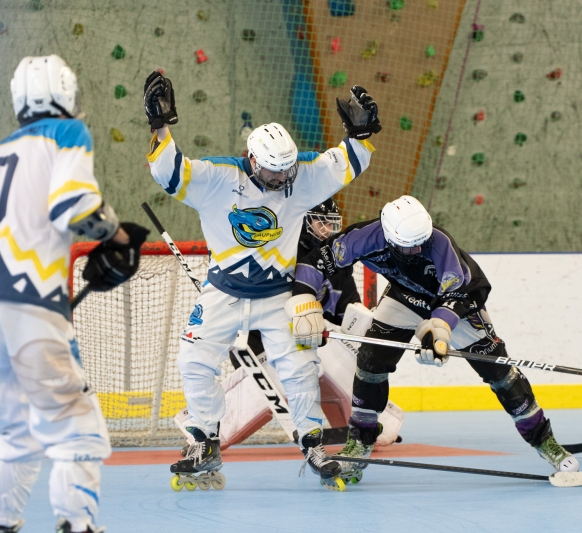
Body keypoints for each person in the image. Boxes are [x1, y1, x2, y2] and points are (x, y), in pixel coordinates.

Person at [142, 71, 381, 492]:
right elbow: (170, 174)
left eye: (287, 170)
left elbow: (343, 164)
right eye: (274, 172)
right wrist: (159, 127)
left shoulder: (299, 174)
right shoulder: (217, 178)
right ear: (252, 159)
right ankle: (204, 441)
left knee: (300, 368)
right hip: (222, 293)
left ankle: (313, 444)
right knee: (193, 362)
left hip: (277, 297)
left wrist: (360, 134)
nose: (282, 180)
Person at [288, 195, 580, 484]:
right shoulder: (363, 237)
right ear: (389, 237)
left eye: (421, 241)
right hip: (404, 296)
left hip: (459, 301)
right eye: (408, 244)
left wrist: (438, 330)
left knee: (500, 374)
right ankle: (360, 444)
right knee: (370, 360)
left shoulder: (439, 243)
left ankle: (545, 442)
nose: (417, 248)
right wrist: (303, 301)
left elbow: (454, 294)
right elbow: (316, 262)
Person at [0, 55, 149, 533]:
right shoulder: (65, 134)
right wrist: (118, 236)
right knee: (77, 426)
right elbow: (75, 208)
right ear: (65, 95)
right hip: (34, 312)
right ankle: (76, 524)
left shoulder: (3, 150)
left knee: (14, 430)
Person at [174, 198, 403, 451]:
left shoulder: (339, 263)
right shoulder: (282, 258)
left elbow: (345, 317)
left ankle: (364, 426)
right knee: (295, 362)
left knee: (340, 366)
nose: (328, 228)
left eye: (332, 222)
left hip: (311, 345)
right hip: (263, 346)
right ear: (304, 222)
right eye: (321, 222)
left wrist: (361, 324)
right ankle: (204, 434)